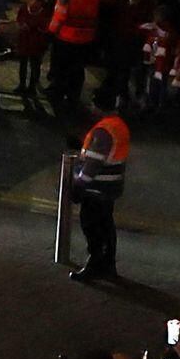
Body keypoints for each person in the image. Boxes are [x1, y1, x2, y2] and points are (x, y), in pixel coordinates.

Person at [69, 105, 130, 284]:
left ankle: (94, 264)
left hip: (97, 188)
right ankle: (108, 265)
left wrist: (79, 185)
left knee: (91, 226)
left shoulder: (103, 130)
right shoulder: (118, 125)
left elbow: (93, 163)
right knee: (106, 226)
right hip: (111, 186)